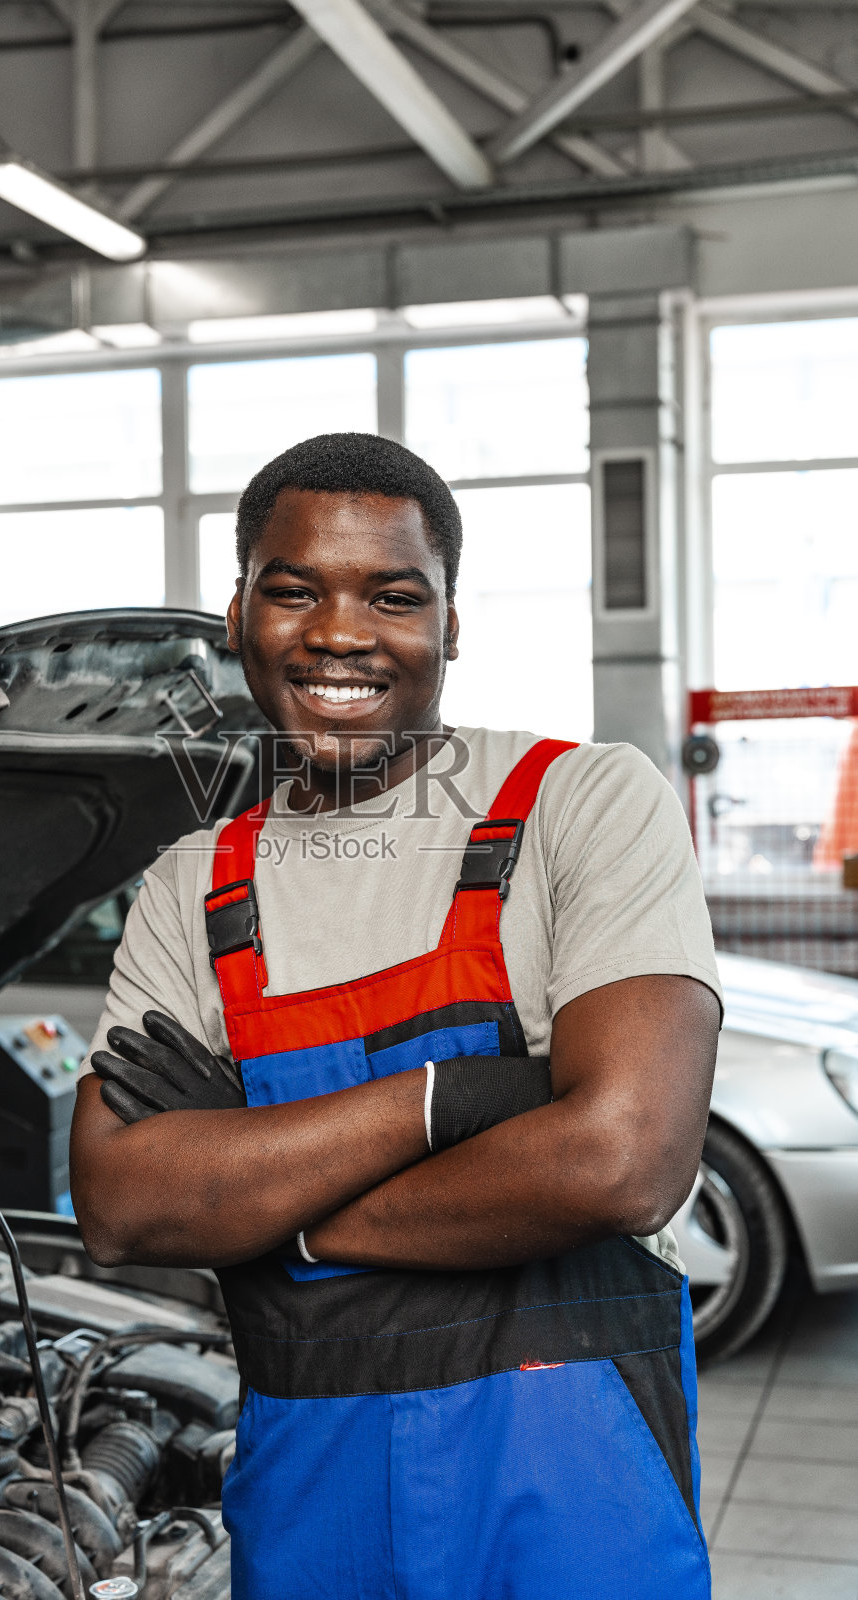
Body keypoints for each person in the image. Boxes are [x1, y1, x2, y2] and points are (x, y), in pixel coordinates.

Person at [70, 431, 722, 1600]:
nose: (337, 633)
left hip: (572, 1501)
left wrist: (279, 1209)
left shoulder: (579, 805)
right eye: (292, 589)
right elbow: (122, 1203)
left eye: (391, 594)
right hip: (313, 1505)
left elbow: (623, 1160)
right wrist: (467, 1097)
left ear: (450, 623)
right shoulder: (190, 886)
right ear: (236, 615)